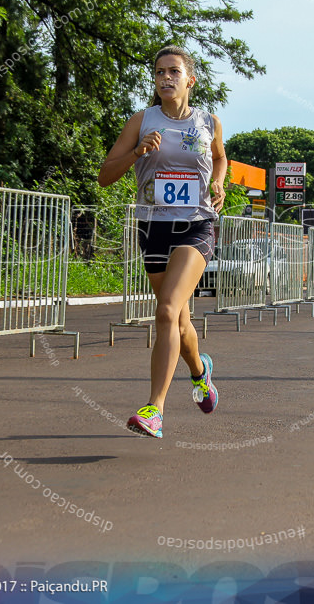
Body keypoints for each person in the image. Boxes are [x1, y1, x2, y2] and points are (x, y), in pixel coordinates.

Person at [98, 46, 226, 438]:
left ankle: (155, 409)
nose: (165, 78)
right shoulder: (142, 120)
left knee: (168, 311)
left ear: (190, 79)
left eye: (173, 71)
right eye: (159, 73)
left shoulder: (208, 121)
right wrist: (137, 152)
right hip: (153, 227)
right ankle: (201, 373)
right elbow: (105, 175)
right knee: (180, 320)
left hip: (196, 226)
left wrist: (219, 180)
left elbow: (220, 157)